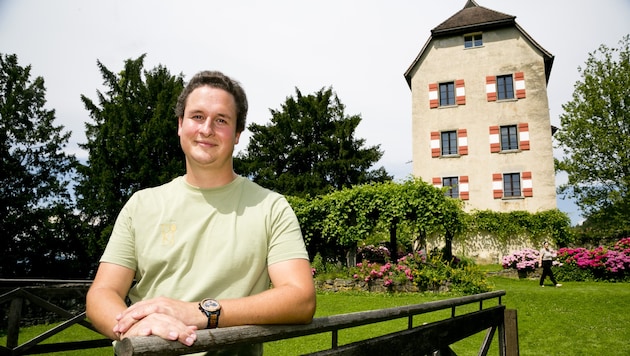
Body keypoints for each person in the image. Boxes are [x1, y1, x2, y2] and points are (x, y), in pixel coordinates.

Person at [86, 70, 317, 355]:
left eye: (221, 120)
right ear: (180, 125)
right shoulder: (140, 204)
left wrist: (203, 312)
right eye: (197, 116)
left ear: (237, 135)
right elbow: (101, 294)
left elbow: (301, 299)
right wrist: (132, 327)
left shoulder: (272, 207)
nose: (206, 129)